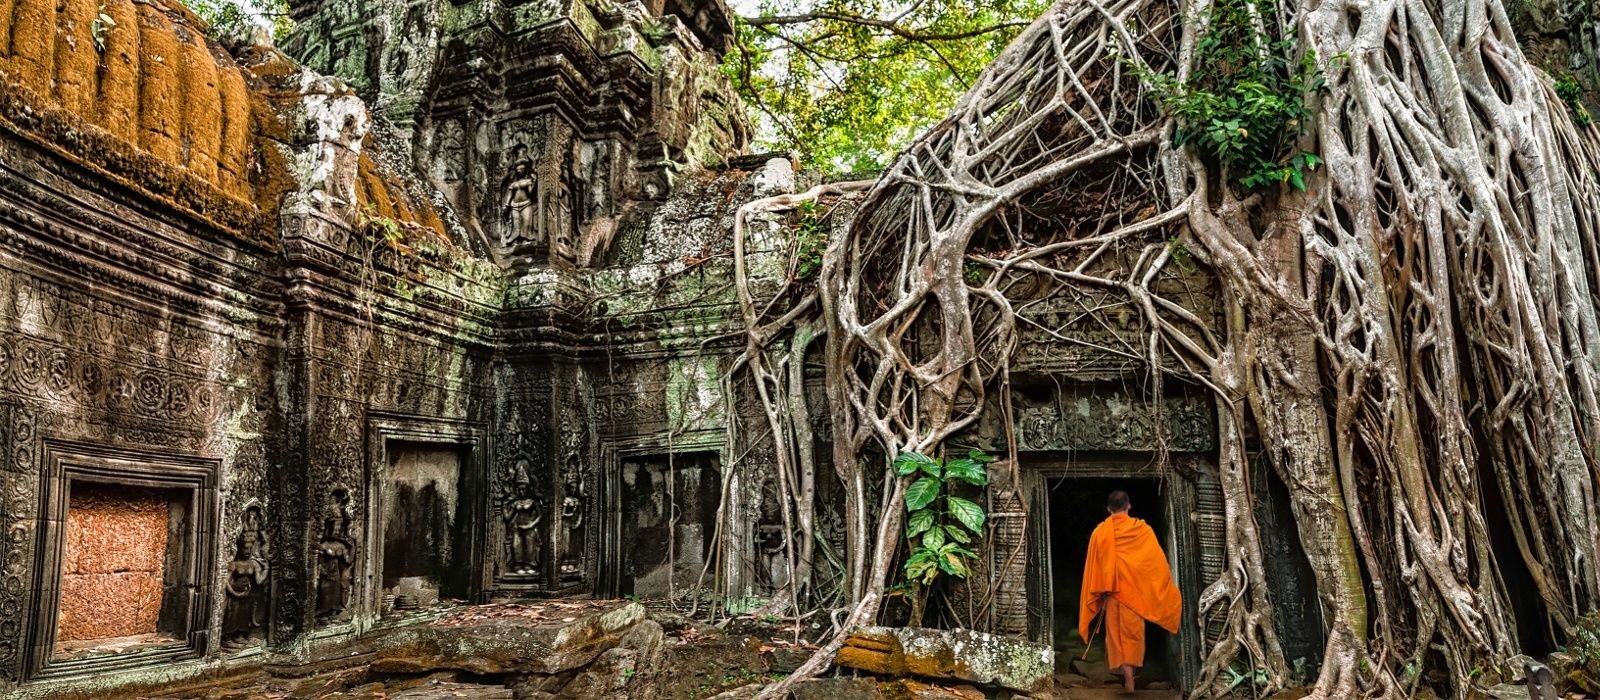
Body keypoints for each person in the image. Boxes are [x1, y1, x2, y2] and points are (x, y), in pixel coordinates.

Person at [1080, 489, 1183, 693]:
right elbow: (1155, 565)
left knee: (1117, 639)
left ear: (1108, 508)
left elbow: (1094, 567)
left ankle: (1128, 680)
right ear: (1129, 505)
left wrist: (1100, 592)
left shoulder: (1100, 532)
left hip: (1112, 596)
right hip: (1135, 597)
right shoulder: (1142, 530)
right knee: (1133, 637)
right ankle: (1130, 680)